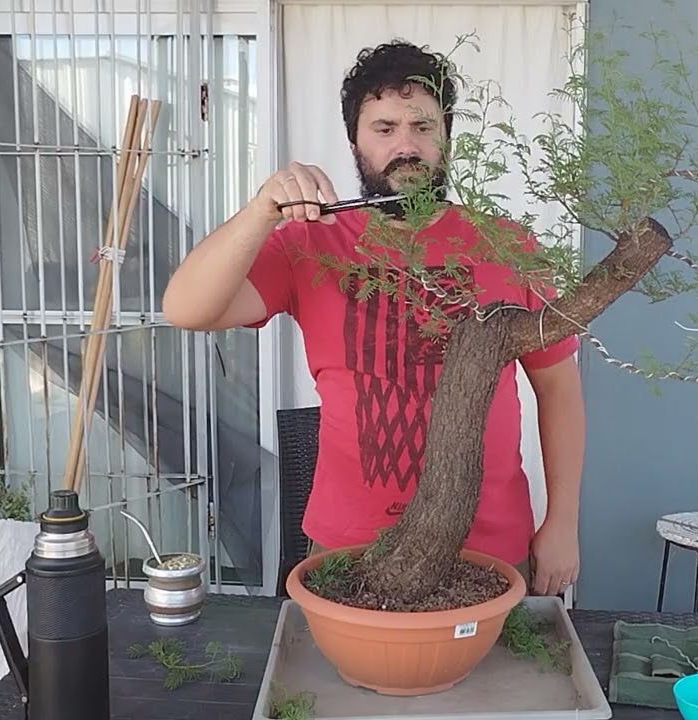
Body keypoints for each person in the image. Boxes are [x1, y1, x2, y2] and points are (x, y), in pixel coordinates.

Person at [161, 40, 586, 597]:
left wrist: (562, 523)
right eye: (384, 128)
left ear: (447, 136)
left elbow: (559, 391)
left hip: (487, 548)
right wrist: (260, 211)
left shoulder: (507, 245)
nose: (406, 145)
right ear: (356, 142)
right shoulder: (311, 244)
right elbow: (185, 308)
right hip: (348, 548)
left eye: (422, 126)